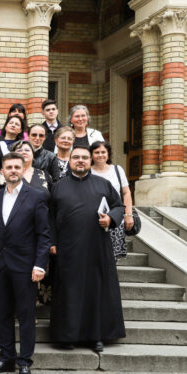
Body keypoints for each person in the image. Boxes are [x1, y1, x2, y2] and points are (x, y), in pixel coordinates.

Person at [0, 152, 51, 374]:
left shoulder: (37, 196)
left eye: (16, 167)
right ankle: (6, 358)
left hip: (25, 266)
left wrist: (40, 264)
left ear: (23, 170)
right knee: (2, 314)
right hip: (0, 265)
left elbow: (43, 234)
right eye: (8, 167)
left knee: (26, 316)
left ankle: (24, 363)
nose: (12, 170)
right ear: (2, 171)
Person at [50, 146, 126, 353]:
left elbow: (119, 207)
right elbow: (49, 217)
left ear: (90, 160)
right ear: (70, 161)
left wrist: (111, 218)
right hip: (67, 249)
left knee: (96, 290)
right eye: (76, 157)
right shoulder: (58, 187)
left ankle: (96, 337)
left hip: (97, 247)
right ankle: (67, 336)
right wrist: (52, 242)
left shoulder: (104, 184)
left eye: (85, 157)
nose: (81, 160)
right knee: (69, 292)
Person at [90, 141, 135, 259]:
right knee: (95, 256)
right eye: (96, 152)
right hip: (94, 221)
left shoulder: (117, 170)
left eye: (103, 152)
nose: (100, 155)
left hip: (115, 219)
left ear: (108, 154)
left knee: (112, 257)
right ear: (91, 155)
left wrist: (128, 215)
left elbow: (126, 193)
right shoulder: (88, 171)